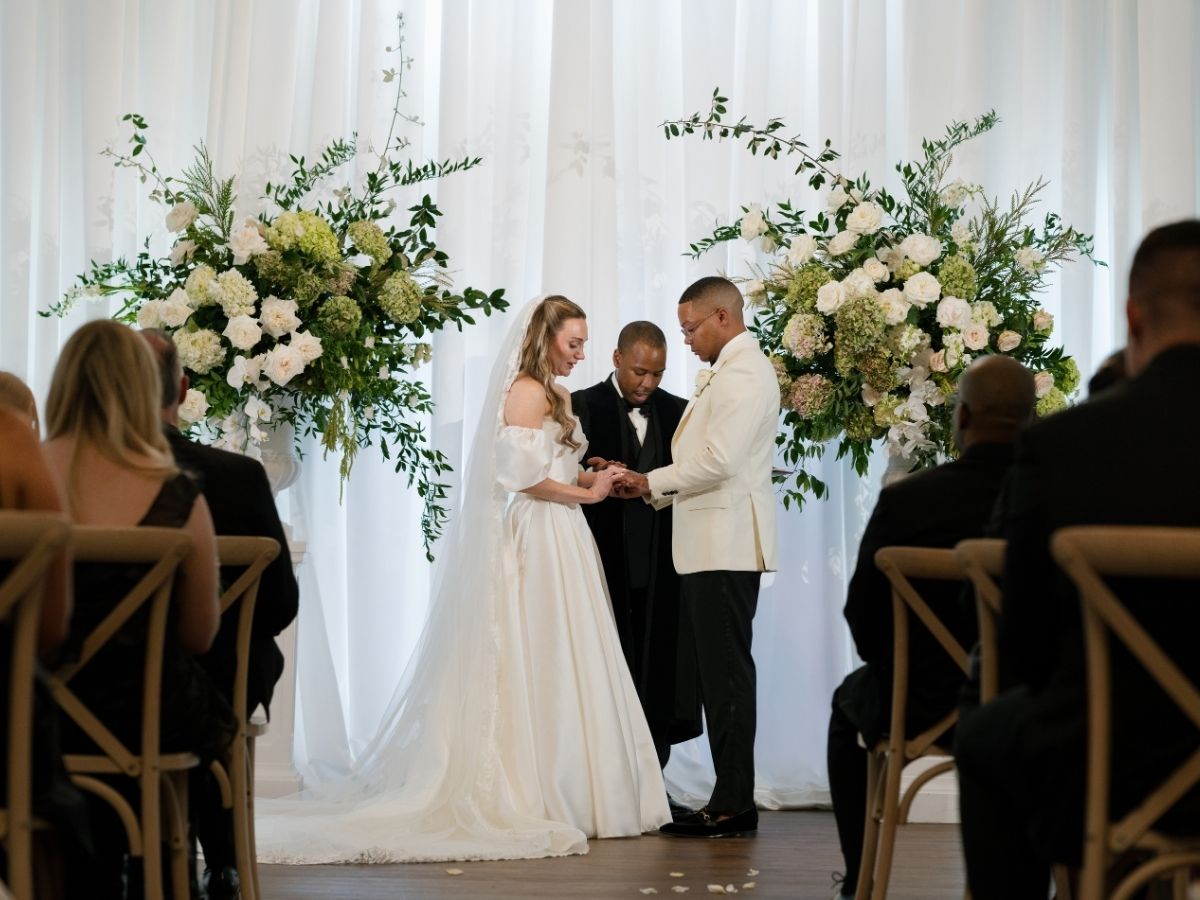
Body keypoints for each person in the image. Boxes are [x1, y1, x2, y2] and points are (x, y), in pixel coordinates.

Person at [254, 295, 669, 864]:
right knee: (539, 650)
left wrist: (594, 470)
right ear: (546, 338)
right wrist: (587, 493)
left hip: (565, 536)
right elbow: (524, 481)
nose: (580, 353)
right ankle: (543, 786)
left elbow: (555, 462)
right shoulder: (525, 390)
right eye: (573, 342)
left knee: (570, 652)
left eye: (583, 343)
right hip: (539, 531)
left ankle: (583, 786)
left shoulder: (559, 394)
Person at [955, 220, 1200, 898]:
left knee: (986, 733)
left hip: (1112, 761)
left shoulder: (1066, 445)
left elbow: (1027, 645)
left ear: (1133, 315)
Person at [826, 355, 1034, 899]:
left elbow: (862, 615)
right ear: (1034, 421)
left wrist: (904, 674)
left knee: (846, 704)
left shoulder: (907, 501)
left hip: (917, 701)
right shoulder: (1055, 499)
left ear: (961, 418)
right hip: (1028, 703)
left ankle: (860, 879)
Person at [42, 319, 235, 899]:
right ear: (141, 388)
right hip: (145, 714)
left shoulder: (29, 476)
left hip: (39, 711)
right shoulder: (177, 492)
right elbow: (200, 635)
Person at [616, 276, 779, 837]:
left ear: (723, 318)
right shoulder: (732, 372)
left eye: (690, 328)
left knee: (727, 678)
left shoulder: (744, 373)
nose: (684, 340)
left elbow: (720, 460)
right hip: (714, 544)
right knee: (718, 678)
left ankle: (734, 802)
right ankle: (729, 795)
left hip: (725, 545)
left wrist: (647, 481)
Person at [140, 328, 299, 900]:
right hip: (219, 676)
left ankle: (136, 853)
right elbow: (281, 603)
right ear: (183, 390)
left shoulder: (78, 477)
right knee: (223, 668)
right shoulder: (238, 477)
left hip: (106, 685)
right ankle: (225, 862)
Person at [572, 321, 701, 778]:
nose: (648, 383)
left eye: (658, 374)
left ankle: (652, 783)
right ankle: (599, 782)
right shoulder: (579, 407)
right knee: (599, 670)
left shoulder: (682, 412)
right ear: (616, 359)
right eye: (639, 372)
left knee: (659, 672)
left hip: (664, 565)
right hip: (599, 563)